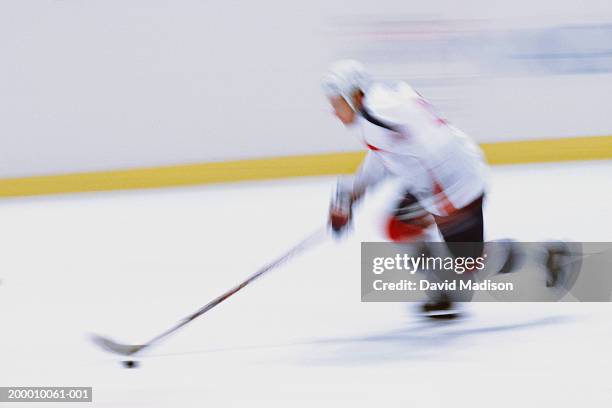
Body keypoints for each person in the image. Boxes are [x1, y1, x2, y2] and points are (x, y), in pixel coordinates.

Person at [322, 60, 489, 317]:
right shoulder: (371, 114)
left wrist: (446, 199)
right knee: (399, 227)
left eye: (337, 103)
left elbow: (434, 141)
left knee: (470, 265)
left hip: (457, 182)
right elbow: (385, 158)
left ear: (355, 94)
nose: (333, 112)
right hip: (438, 185)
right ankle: (443, 288)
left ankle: (543, 263)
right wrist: (354, 193)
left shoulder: (381, 111)